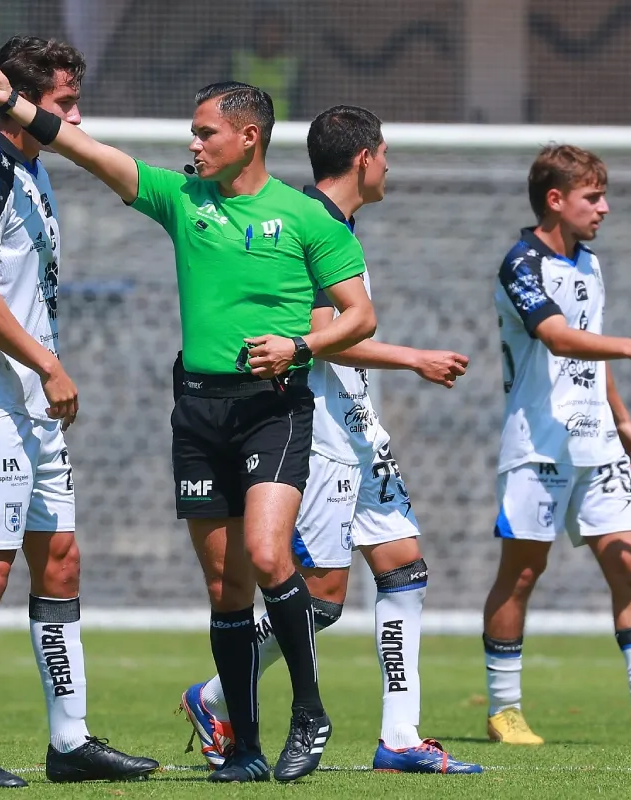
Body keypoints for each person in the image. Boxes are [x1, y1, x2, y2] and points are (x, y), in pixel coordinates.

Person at [0, 62, 377, 783]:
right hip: (198, 412)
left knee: (268, 555)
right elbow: (87, 150)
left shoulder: (307, 216)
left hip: (274, 408)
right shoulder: (184, 199)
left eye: (205, 133)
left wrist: (298, 346)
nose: (194, 144)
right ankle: (243, 748)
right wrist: (14, 104)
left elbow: (360, 315)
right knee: (225, 587)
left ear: (248, 138)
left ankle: (309, 712)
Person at [178, 105, 482, 775]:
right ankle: (215, 696)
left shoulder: (338, 226)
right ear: (364, 159)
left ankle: (400, 737)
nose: (389, 166)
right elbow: (321, 338)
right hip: (314, 430)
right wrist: (415, 358)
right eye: (385, 153)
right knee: (321, 598)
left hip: (358, 426)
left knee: (404, 566)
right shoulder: (309, 224)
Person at [0, 36, 159, 788]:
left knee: (59, 560)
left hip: (32, 408)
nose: (76, 116)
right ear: (22, 100)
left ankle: (70, 741)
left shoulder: (32, 168)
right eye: (65, 102)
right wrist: (50, 365)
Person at [483, 144, 631, 747]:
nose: (604, 208)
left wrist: (622, 418)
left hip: (598, 442)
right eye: (593, 197)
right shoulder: (520, 264)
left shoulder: (590, 264)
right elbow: (559, 338)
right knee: (522, 573)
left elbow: (591, 345)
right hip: (538, 445)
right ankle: (504, 709)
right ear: (556, 200)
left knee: (630, 564)